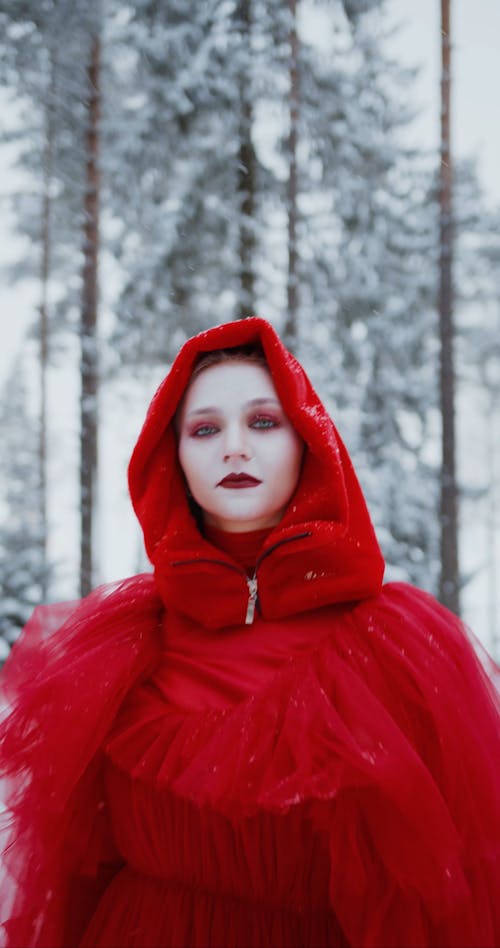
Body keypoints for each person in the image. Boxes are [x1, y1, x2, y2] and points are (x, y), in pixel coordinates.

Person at [0, 316, 499, 948]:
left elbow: (453, 894)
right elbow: (73, 876)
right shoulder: (118, 647)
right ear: (172, 457)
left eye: (263, 422)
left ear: (308, 443)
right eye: (205, 429)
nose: (235, 448)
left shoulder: (397, 647)